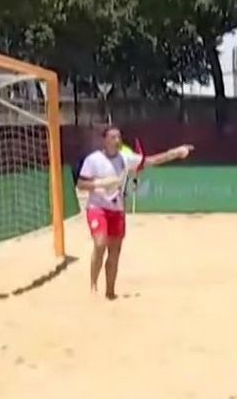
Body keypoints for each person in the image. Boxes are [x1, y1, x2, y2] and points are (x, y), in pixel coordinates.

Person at [75, 126, 193, 299]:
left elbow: (151, 161)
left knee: (114, 252)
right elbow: (81, 184)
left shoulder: (126, 158)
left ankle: (110, 292)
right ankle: (93, 286)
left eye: (119, 137)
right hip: (97, 208)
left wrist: (175, 152)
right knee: (100, 244)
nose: (117, 140)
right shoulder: (93, 160)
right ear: (104, 140)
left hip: (117, 209)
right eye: (113, 137)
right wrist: (102, 184)